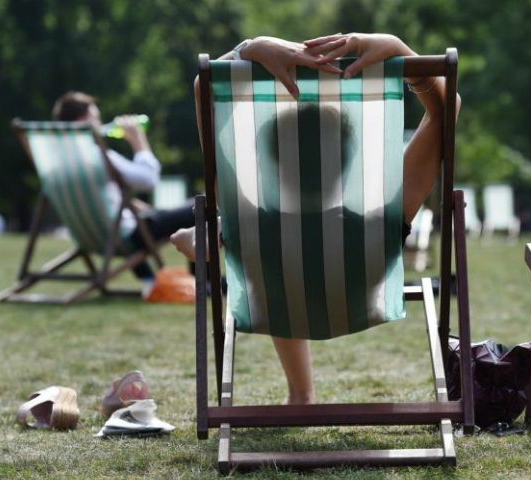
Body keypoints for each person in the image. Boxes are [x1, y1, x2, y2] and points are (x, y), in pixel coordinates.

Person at [171, 33, 460, 405]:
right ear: (349, 161)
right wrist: (398, 49)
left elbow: (204, 86)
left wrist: (250, 47)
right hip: (356, 294)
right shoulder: (386, 214)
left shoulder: (250, 218)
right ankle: (300, 390)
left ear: (269, 162)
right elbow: (446, 111)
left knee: (272, 264)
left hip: (280, 299)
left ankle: (301, 392)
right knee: (275, 255)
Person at [52, 92, 195, 288]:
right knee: (200, 207)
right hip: (127, 235)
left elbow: (99, 199)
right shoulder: (94, 155)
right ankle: (205, 281)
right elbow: (148, 180)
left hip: (91, 237)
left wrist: (132, 204)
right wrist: (138, 140)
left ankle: (149, 278)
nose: (100, 123)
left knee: (157, 212)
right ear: (84, 120)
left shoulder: (58, 160)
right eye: (97, 118)